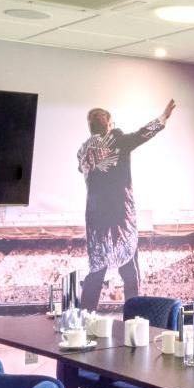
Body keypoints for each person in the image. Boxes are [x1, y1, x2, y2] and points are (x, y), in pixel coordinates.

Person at [76, 99, 174, 310]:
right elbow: (142, 134)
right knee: (129, 268)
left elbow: (81, 169)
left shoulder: (83, 150)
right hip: (120, 213)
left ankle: (84, 318)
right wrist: (163, 118)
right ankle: (133, 316)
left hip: (95, 216)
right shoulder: (118, 141)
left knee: (97, 268)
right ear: (109, 124)